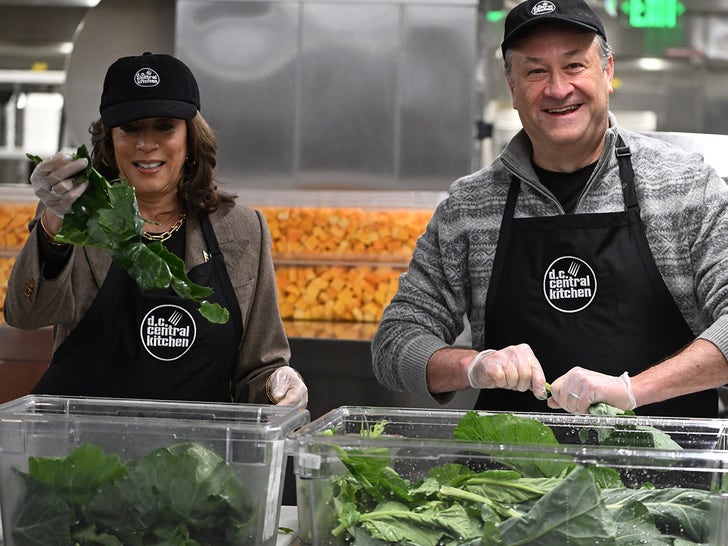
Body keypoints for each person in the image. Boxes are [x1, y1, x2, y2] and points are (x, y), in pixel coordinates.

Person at [372, 0, 728, 417]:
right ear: (512, 88)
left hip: (664, 473)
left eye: (574, 65)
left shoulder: (684, 186)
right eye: (536, 71)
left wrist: (632, 391)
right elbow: (395, 343)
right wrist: (475, 365)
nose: (558, 89)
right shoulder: (470, 207)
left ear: (607, 72)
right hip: (513, 476)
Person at [4, 52, 307, 408]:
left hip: (198, 455)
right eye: (130, 128)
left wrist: (280, 384)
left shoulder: (241, 230)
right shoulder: (79, 218)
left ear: (190, 138)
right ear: (109, 140)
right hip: (83, 453)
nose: (146, 144)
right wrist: (56, 222)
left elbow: (260, 369)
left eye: (164, 126)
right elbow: (26, 315)